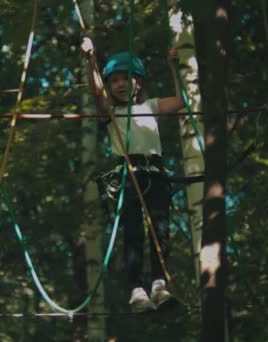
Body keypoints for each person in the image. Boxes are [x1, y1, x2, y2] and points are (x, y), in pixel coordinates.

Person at [81, 37, 184, 311]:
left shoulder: (151, 106)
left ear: (139, 81)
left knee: (160, 231)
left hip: (156, 175)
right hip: (128, 176)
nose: (120, 85)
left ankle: (159, 284)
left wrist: (173, 68)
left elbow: (180, 101)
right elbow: (96, 92)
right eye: (114, 81)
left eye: (126, 79)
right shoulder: (112, 112)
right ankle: (137, 288)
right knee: (134, 233)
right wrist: (91, 59)